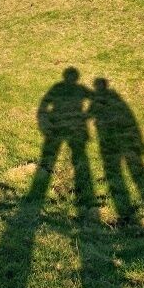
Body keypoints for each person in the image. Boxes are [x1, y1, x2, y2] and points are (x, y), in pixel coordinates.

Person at [89, 77, 144, 217]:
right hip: (113, 139)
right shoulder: (116, 101)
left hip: (112, 140)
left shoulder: (112, 101)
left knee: (116, 167)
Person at [35, 67, 94, 202]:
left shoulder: (64, 87)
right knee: (74, 154)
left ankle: (76, 184)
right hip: (66, 126)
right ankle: (62, 179)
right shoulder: (66, 88)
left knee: (77, 155)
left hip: (70, 127)